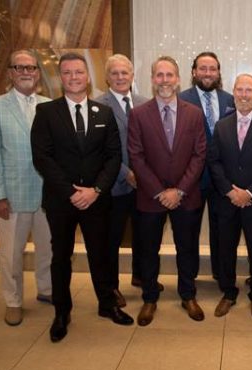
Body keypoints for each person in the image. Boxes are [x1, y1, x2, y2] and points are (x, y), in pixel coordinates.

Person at [31, 52, 134, 343]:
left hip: (97, 199)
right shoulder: (47, 113)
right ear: (60, 78)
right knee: (61, 257)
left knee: (100, 254)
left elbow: (113, 156)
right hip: (61, 200)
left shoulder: (104, 113)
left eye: (79, 72)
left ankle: (107, 304)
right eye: (67, 73)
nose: (73, 77)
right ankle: (62, 312)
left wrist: (96, 190)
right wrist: (70, 192)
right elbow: (43, 158)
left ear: (88, 77)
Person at [128, 56, 206, 326]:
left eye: (169, 75)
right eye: (159, 75)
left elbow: (199, 155)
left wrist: (180, 190)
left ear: (178, 79)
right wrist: (161, 192)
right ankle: (150, 298)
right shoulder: (138, 114)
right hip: (151, 198)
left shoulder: (194, 114)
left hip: (187, 197)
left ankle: (188, 294)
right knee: (149, 250)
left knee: (188, 248)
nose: (164, 80)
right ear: (152, 80)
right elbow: (136, 157)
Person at [0, 49, 53, 326]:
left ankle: (46, 290)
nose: (26, 72)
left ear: (37, 73)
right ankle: (13, 301)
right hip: (11, 195)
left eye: (31, 68)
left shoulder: (49, 105)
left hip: (47, 195)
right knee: (11, 254)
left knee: (49, 248)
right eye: (19, 67)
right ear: (10, 72)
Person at [208, 74, 252, 319]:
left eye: (249, 90)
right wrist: (229, 191)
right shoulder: (222, 125)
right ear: (233, 92)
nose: (244, 95)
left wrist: (249, 192)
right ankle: (228, 293)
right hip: (227, 202)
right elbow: (214, 162)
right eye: (239, 90)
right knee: (225, 250)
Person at [94, 54, 156, 306]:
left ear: (132, 76)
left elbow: (153, 144)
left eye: (125, 73)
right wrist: (126, 173)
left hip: (143, 186)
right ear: (107, 77)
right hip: (115, 185)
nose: (120, 77)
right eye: (115, 73)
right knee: (112, 238)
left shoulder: (145, 103)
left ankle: (141, 276)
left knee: (144, 234)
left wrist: (145, 175)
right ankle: (111, 287)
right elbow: (98, 149)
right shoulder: (98, 106)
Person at [178, 52, 235, 281]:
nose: (208, 73)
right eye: (203, 68)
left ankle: (220, 274)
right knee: (188, 230)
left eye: (213, 69)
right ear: (194, 72)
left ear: (219, 72)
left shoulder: (230, 100)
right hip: (192, 178)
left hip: (223, 178)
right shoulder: (181, 100)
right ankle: (189, 277)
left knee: (222, 229)